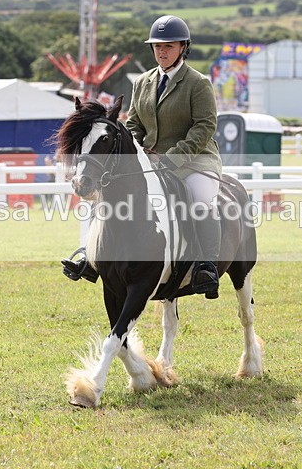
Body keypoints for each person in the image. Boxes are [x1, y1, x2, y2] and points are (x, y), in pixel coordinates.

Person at [62, 15, 223, 298]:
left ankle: (204, 266)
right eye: (157, 46)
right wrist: (133, 148)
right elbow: (134, 123)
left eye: (169, 46)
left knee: (199, 200)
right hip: (149, 162)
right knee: (105, 194)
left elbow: (205, 127)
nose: (162, 52)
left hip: (195, 161)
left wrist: (172, 158)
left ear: (183, 48)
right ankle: (91, 256)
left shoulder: (198, 84)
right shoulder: (143, 82)